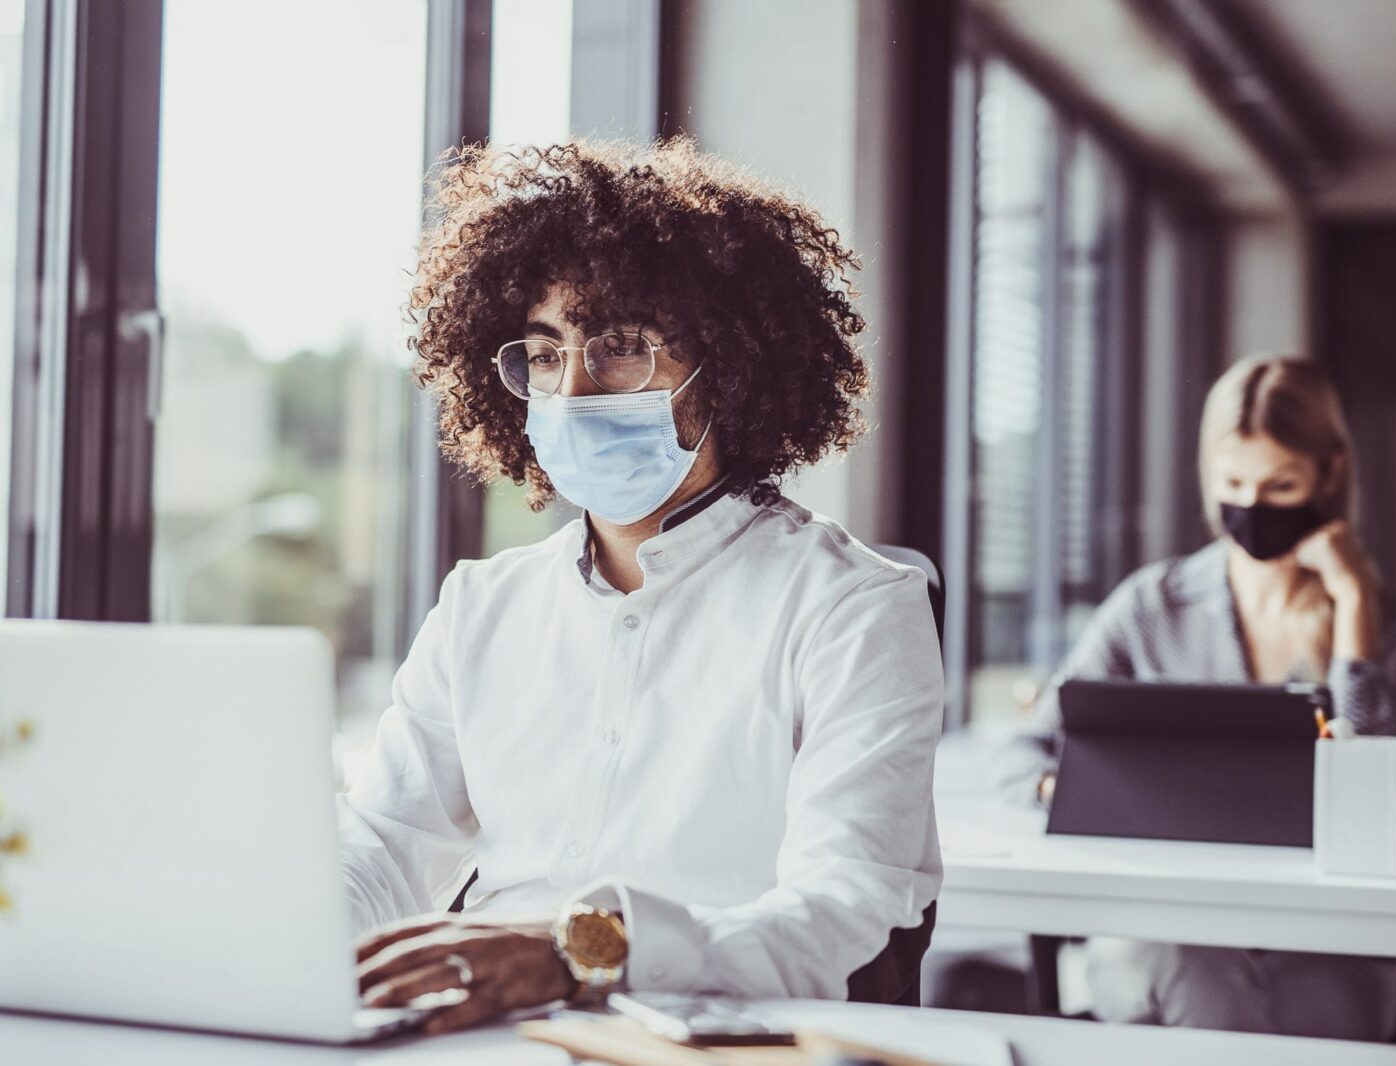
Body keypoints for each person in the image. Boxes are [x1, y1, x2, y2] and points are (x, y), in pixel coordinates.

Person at [337, 140, 944, 1034]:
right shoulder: (481, 605)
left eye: (621, 347)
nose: (574, 389)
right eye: (544, 356)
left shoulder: (854, 609)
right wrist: (298, 937)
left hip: (714, 1040)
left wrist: (578, 953)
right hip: (483, 1041)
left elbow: (841, 913)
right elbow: (387, 845)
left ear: (732, 366)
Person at [1008, 355, 1396, 1041]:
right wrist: (1078, 788)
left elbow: (1374, 793)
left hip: (1323, 947)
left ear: (1327, 477)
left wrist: (1354, 608)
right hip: (1165, 926)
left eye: (1280, 484)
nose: (1252, 505)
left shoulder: (1394, 623)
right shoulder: (1151, 605)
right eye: (1233, 482)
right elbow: (1024, 752)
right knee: (1188, 961)